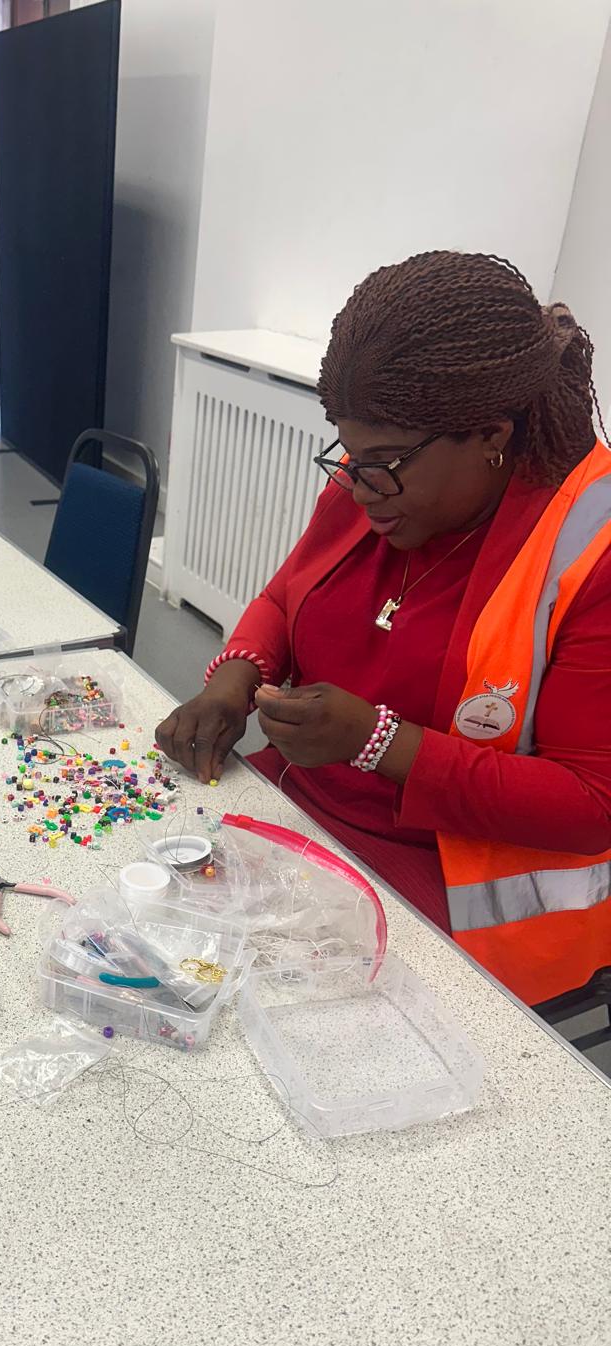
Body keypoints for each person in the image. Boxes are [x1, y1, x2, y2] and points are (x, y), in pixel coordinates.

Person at [156, 251, 611, 1008]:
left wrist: (380, 744)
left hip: (459, 894)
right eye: (349, 455)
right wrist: (235, 678)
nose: (358, 486)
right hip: (308, 816)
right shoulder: (380, 483)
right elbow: (287, 593)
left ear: (492, 433)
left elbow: (592, 805)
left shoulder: (591, 550)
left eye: (383, 462)